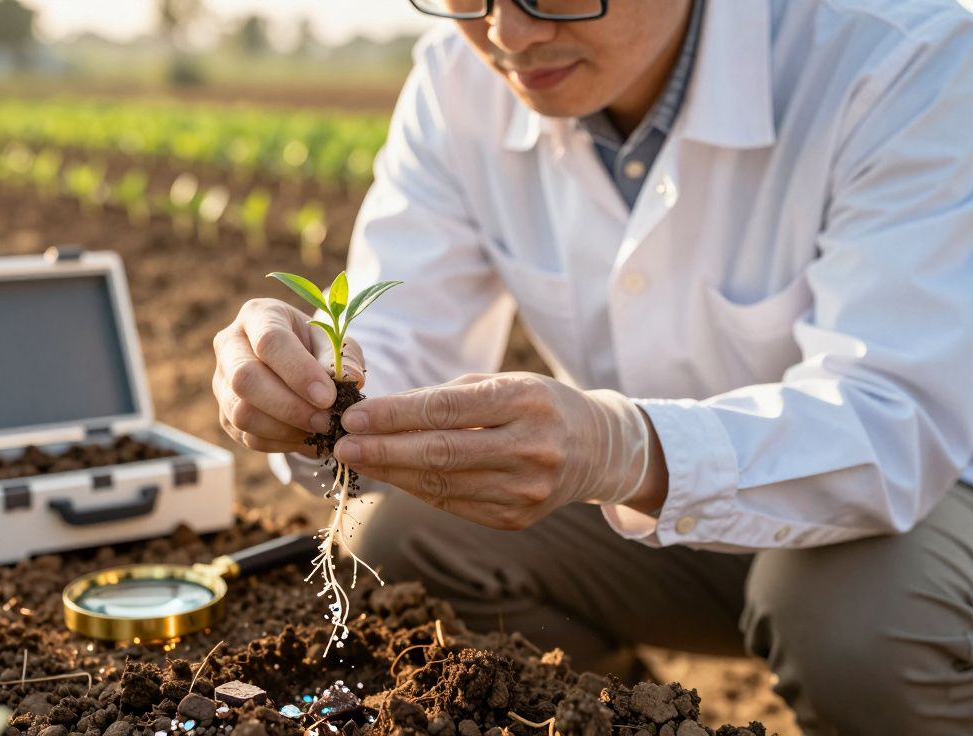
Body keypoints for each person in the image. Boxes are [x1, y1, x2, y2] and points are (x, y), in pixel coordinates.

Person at [211, 0, 973, 732]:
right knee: (403, 539)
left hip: (923, 499)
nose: (508, 30)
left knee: (856, 625)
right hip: (668, 514)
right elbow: (401, 355)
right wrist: (309, 388)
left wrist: (625, 447)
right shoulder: (456, 79)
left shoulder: (901, 60)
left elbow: (896, 419)